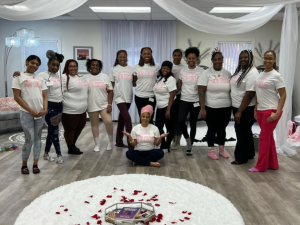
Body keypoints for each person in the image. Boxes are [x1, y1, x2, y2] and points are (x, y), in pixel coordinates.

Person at [12, 50, 65, 163]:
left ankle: (45, 154)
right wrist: (17, 73)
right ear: (48, 64)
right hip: (48, 106)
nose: (55, 67)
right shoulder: (41, 76)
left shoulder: (61, 77)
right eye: (53, 65)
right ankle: (59, 154)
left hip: (57, 106)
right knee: (54, 130)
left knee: (52, 130)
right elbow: (19, 94)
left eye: (57, 65)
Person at [249, 50, 286, 172]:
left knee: (263, 137)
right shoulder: (260, 75)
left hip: (271, 111)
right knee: (269, 137)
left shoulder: (277, 76)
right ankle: (273, 164)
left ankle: (261, 166)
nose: (267, 60)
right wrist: (255, 108)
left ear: (274, 60)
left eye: (270, 58)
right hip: (260, 109)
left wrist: (277, 113)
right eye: (265, 58)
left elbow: (283, 95)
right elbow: (259, 94)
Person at [12, 55, 47, 174]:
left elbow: (44, 96)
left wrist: (45, 109)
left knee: (38, 139)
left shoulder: (40, 78)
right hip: (27, 113)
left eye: (37, 64)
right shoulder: (18, 76)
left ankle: (35, 164)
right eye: (32, 63)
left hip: (40, 113)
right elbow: (16, 97)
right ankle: (24, 164)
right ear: (26, 62)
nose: (34, 66)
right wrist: (31, 110)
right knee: (29, 139)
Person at [198, 48, 231, 160]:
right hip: (211, 107)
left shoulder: (227, 73)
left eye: (219, 59)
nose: (217, 61)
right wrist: (203, 108)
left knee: (222, 129)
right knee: (212, 128)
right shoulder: (206, 73)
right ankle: (211, 150)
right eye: (215, 59)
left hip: (226, 106)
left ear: (223, 60)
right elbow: (201, 91)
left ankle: (221, 149)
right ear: (212, 61)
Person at [230, 50, 259, 165]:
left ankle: (241, 158)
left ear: (251, 58)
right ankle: (250, 153)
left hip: (245, 108)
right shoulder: (241, 70)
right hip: (237, 105)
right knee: (246, 131)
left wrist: (239, 112)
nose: (243, 59)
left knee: (241, 132)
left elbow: (249, 95)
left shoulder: (252, 73)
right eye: (241, 57)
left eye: (245, 57)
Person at [177, 47, 204, 155]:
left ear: (197, 59)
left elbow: (202, 87)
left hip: (195, 101)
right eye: (189, 58)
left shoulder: (201, 71)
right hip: (184, 99)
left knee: (193, 123)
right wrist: (171, 93)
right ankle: (187, 138)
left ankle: (190, 146)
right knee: (180, 120)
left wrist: (203, 105)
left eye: (193, 58)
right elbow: (179, 86)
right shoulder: (183, 70)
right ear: (186, 59)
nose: (191, 60)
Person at [86, 59, 114, 151]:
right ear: (89, 66)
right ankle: (97, 144)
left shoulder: (104, 77)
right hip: (91, 104)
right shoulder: (85, 78)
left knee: (108, 121)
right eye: (93, 65)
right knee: (94, 125)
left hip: (104, 104)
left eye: (97, 65)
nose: (95, 67)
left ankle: (110, 142)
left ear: (100, 67)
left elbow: (110, 91)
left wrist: (109, 104)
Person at [61, 59, 88, 155]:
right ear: (66, 67)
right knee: (70, 130)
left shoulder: (79, 77)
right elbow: (57, 91)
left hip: (82, 110)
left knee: (80, 127)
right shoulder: (63, 77)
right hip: (70, 111)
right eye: (70, 66)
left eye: (75, 66)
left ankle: (72, 145)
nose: (73, 68)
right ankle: (71, 147)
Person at [110, 50, 134, 149]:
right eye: (121, 57)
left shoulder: (131, 69)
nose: (123, 59)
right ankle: (131, 145)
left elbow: (134, 82)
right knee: (127, 119)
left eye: (124, 57)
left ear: (127, 57)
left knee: (121, 119)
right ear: (117, 58)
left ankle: (119, 142)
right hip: (119, 97)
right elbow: (112, 83)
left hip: (128, 96)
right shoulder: (114, 69)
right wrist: (117, 92)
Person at [153, 61, 177, 152]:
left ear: (170, 70)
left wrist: (168, 110)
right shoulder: (159, 78)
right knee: (158, 127)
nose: (165, 70)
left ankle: (168, 146)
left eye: (167, 68)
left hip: (168, 107)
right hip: (160, 107)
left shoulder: (171, 79)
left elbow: (172, 94)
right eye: (164, 68)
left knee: (169, 128)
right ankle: (163, 144)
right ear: (161, 68)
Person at [133, 47, 160, 124]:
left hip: (151, 96)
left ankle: (151, 135)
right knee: (142, 118)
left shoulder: (156, 66)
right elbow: (134, 81)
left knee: (150, 118)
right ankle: (143, 135)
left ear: (151, 55)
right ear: (141, 55)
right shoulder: (137, 66)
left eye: (148, 53)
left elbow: (160, 78)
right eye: (144, 54)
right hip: (139, 96)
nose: (146, 55)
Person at [170, 49, 185, 150]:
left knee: (179, 118)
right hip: (170, 95)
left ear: (181, 56)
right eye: (175, 55)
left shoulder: (184, 67)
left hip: (181, 95)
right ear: (172, 56)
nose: (177, 57)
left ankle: (178, 139)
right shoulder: (169, 66)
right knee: (171, 117)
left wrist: (177, 91)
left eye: (179, 55)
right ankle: (172, 138)